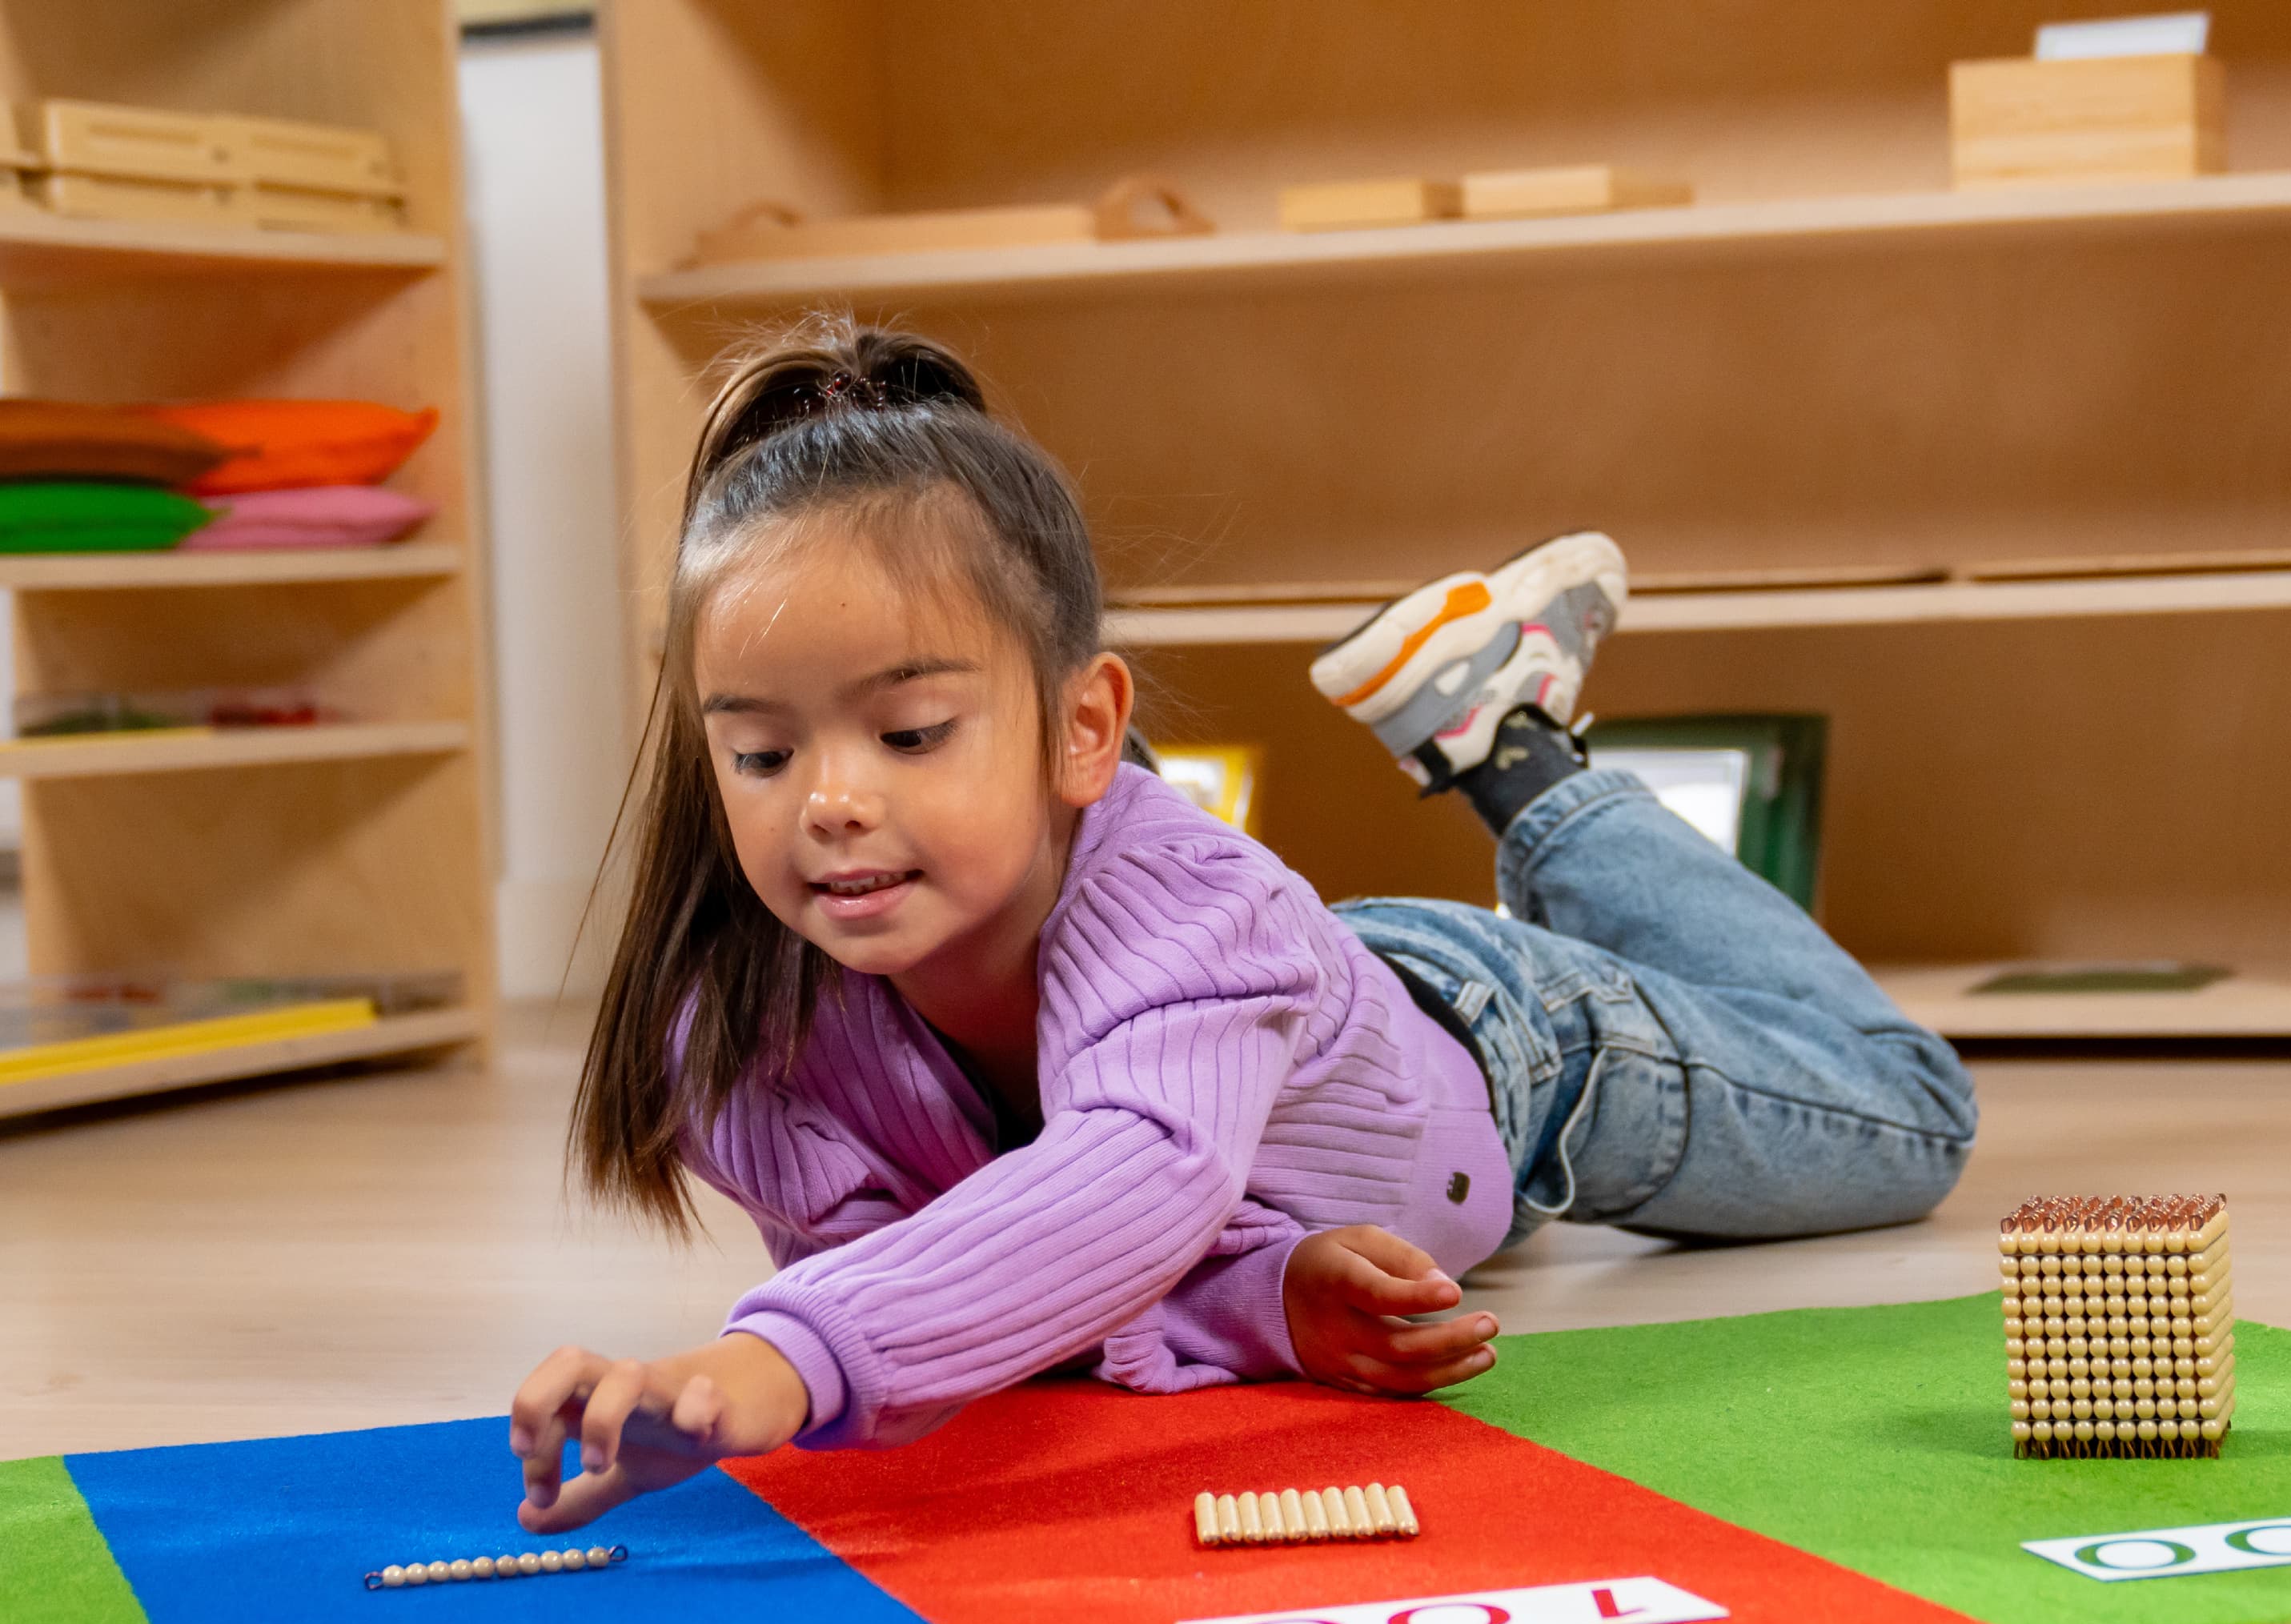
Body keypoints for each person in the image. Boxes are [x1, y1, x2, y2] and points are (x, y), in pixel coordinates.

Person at [508, 321, 1976, 1532]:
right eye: (760, 754)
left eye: (907, 731)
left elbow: (1128, 1182)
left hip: (1521, 1058)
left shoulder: (1190, 909)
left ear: (1084, 728)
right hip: (1304, 1021)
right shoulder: (745, 1041)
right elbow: (1002, 1300)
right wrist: (1269, 1299)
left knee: (1911, 1110)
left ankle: (1521, 758)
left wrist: (786, 1354)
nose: (824, 801)